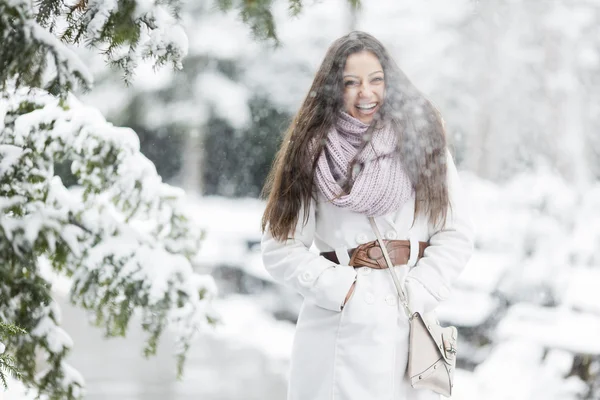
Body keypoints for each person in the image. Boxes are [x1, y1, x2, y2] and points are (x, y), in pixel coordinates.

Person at [260, 31, 474, 400]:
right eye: (351, 83)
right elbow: (280, 246)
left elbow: (455, 234)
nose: (366, 93)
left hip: (408, 325)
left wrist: (419, 290)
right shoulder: (311, 153)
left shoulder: (424, 142)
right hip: (337, 330)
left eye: (376, 80)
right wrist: (343, 289)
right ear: (333, 89)